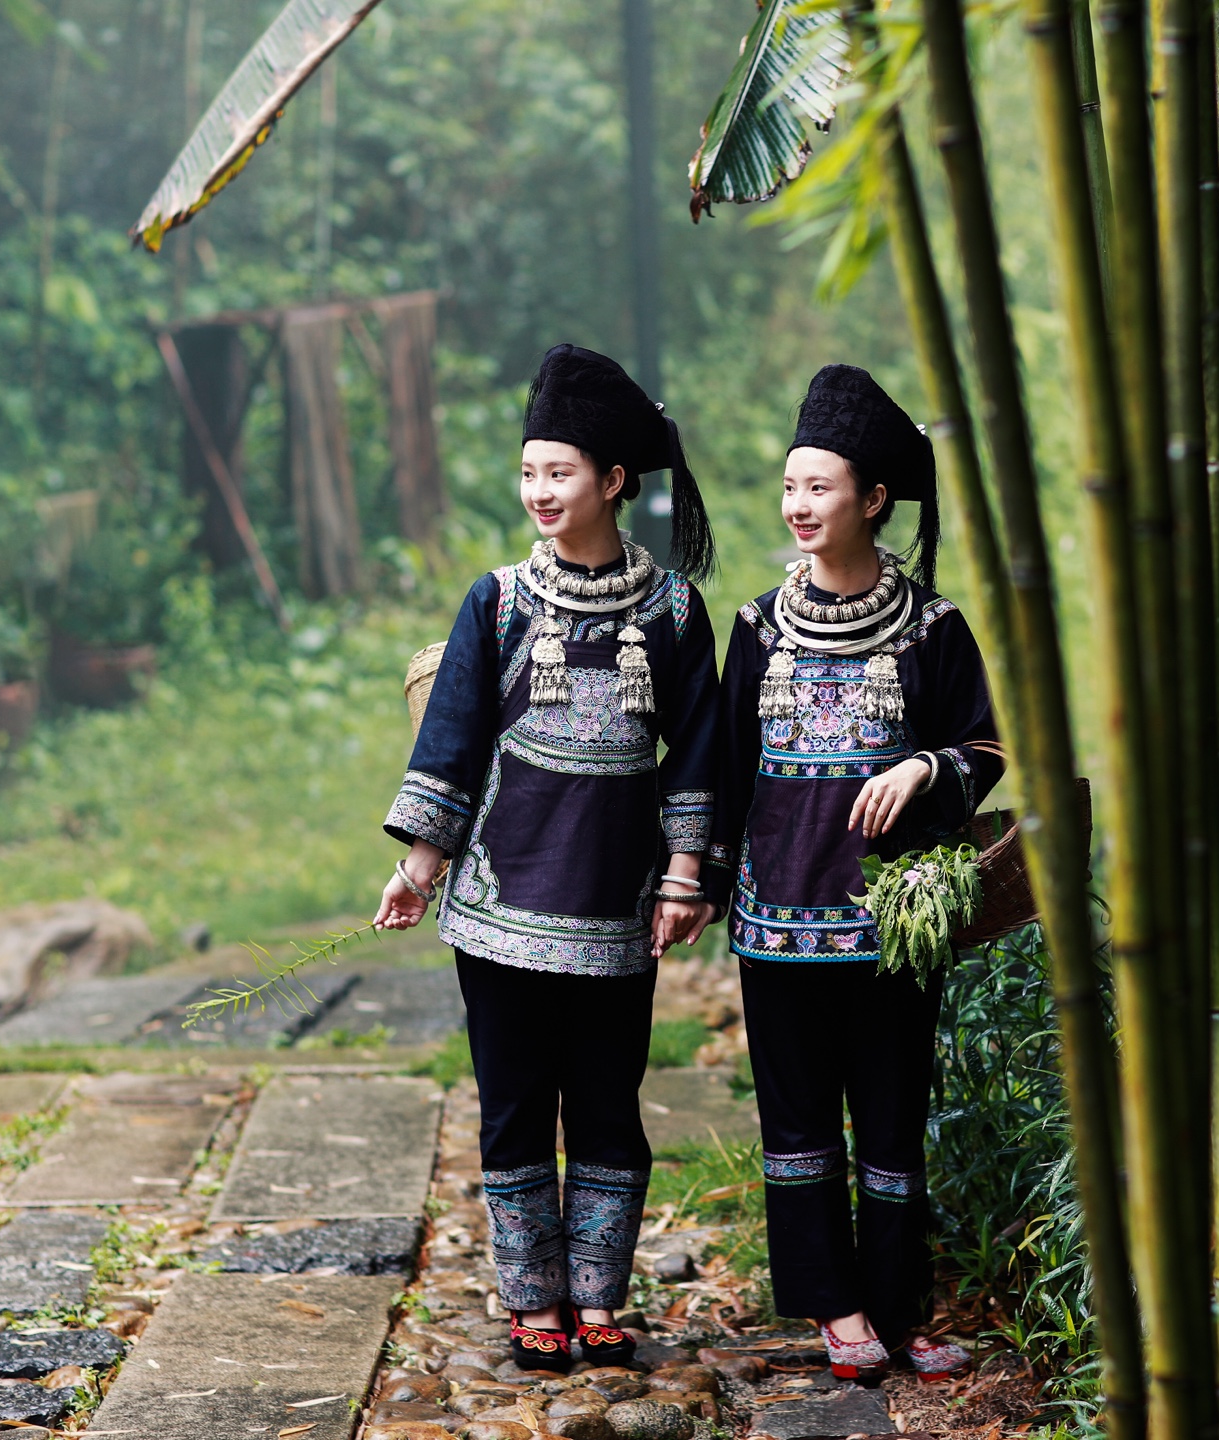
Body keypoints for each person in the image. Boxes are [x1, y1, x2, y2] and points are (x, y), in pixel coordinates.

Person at [374, 344, 722, 1373]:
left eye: (558, 472)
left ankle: (601, 1298)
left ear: (613, 481)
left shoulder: (669, 613)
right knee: (517, 1099)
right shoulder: (494, 605)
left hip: (616, 906)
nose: (539, 492)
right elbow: (450, 742)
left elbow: (699, 750)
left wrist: (686, 874)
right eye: (528, 472)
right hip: (501, 904)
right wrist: (418, 869)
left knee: (609, 1099)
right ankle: (533, 1300)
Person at [708, 364, 1003, 1383]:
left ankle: (901, 1309)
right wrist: (688, 884)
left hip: (894, 926)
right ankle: (835, 1313)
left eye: (819, 487)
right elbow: (718, 772)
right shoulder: (752, 630)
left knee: (892, 1122)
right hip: (777, 924)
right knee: (796, 1128)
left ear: (873, 500)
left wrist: (925, 763)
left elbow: (988, 752)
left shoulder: (932, 631)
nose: (798, 506)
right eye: (790, 487)